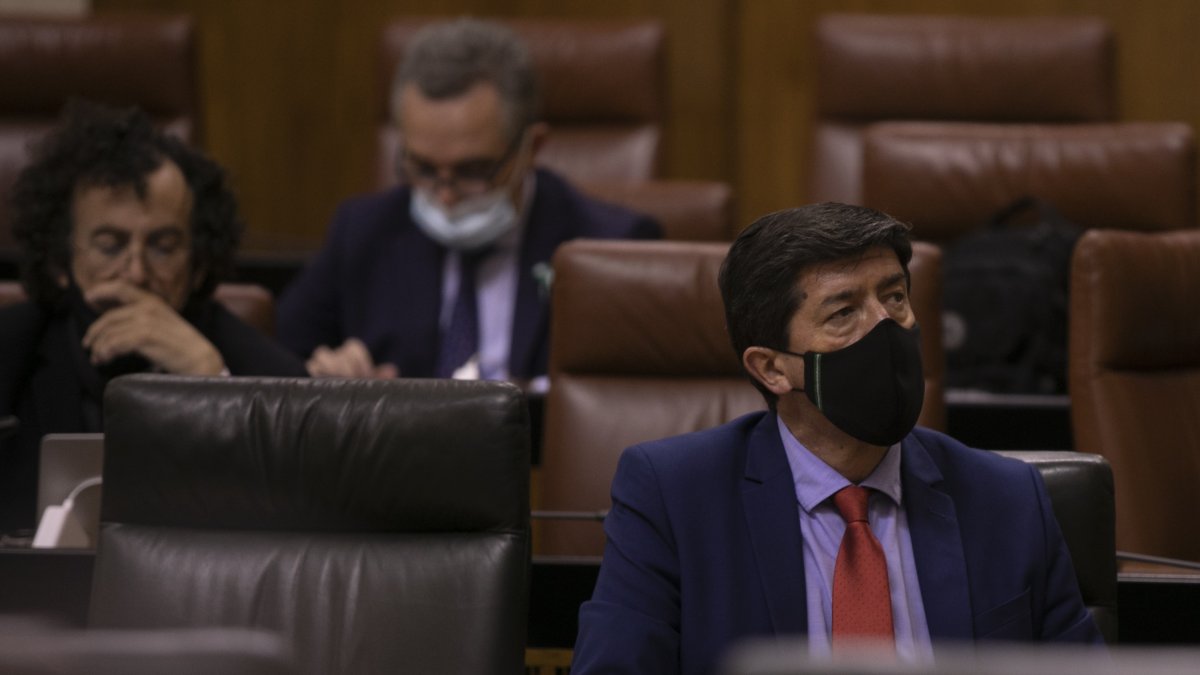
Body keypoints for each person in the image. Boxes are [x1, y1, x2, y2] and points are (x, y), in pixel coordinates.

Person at [571, 203, 1102, 675]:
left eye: (894, 297)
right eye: (844, 312)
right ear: (773, 369)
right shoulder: (675, 498)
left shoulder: (1006, 498)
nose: (885, 327)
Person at [276, 18, 660, 382]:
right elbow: (278, 358)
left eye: (474, 171)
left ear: (533, 148)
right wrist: (326, 373)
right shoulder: (363, 231)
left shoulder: (610, 245)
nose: (445, 195)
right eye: (423, 168)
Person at [0, 101, 307, 534]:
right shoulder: (11, 350)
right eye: (110, 245)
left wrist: (213, 381)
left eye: (163, 246)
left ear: (198, 263)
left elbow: (309, 502)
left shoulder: (256, 365)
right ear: (60, 260)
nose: (137, 273)